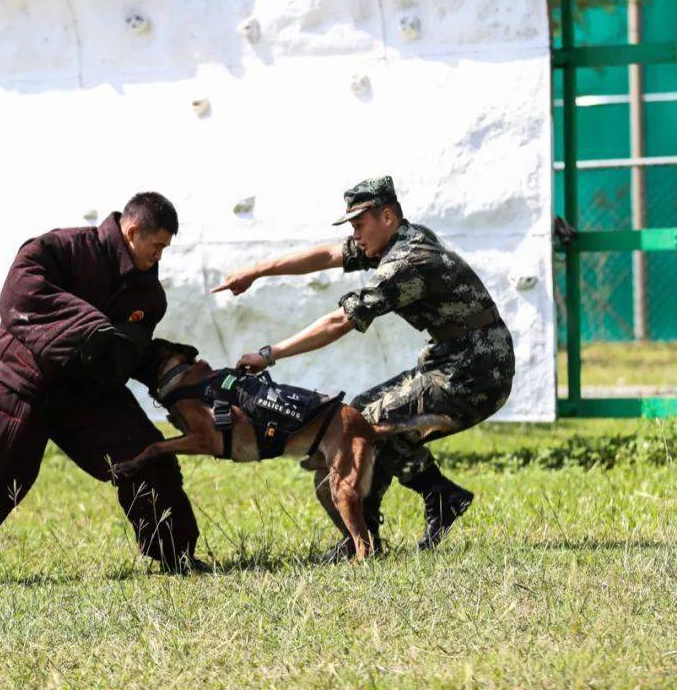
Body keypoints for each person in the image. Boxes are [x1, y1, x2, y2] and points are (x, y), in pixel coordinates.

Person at [0, 192, 205, 583]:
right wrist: (89, 330)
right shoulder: (59, 249)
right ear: (132, 231)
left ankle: (176, 557)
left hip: (86, 393)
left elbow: (124, 353)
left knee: (148, 457)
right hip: (23, 381)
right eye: (157, 245)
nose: (160, 256)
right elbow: (21, 296)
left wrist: (171, 367)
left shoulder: (147, 295)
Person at [214, 176, 514, 559]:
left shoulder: (407, 261)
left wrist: (270, 354)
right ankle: (436, 499)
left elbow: (340, 322)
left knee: (365, 423)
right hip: (456, 361)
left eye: (358, 225)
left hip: (476, 372)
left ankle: (366, 537)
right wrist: (255, 271)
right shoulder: (396, 238)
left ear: (387, 216)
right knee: (360, 414)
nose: (355, 236)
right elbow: (325, 257)